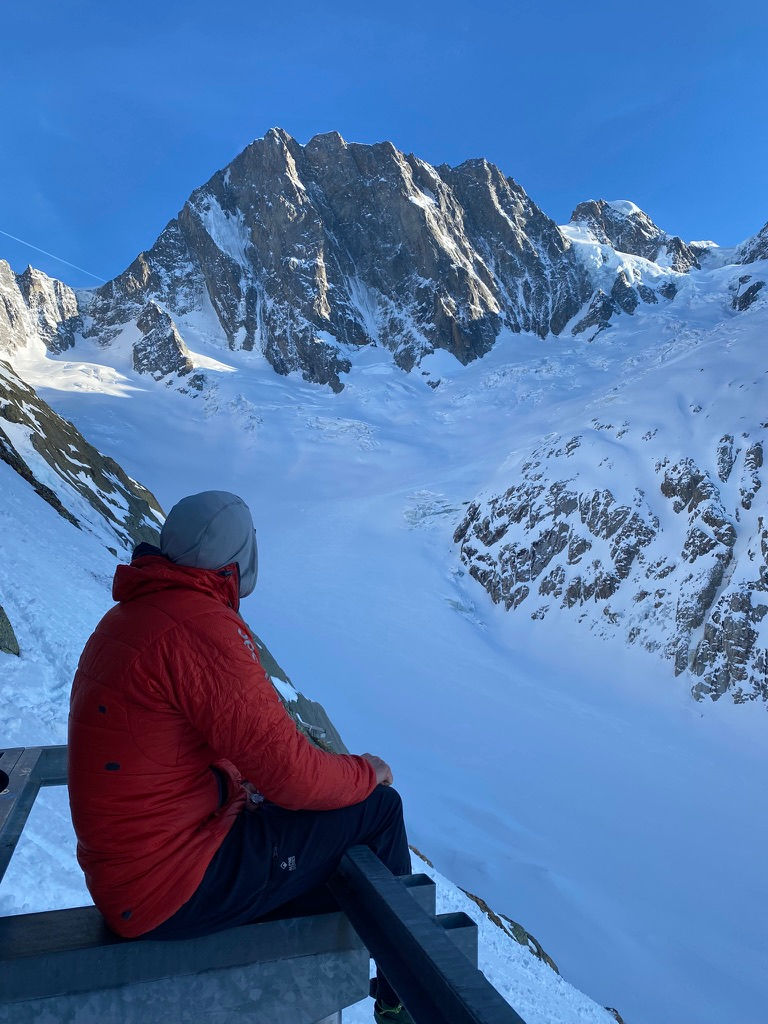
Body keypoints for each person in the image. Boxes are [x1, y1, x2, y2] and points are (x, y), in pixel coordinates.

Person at [68, 490, 414, 1024]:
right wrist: (368, 771)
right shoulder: (199, 627)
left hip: (133, 870)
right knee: (379, 810)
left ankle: (310, 976)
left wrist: (233, 787)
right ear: (239, 561)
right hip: (169, 883)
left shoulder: (131, 617)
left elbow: (165, 749)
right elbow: (293, 779)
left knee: (305, 835)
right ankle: (399, 1000)